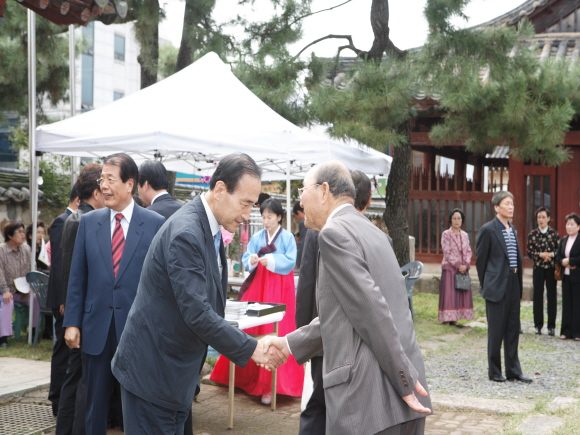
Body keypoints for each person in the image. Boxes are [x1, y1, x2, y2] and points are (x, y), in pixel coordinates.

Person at [111, 153, 287, 435]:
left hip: (174, 374)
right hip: (154, 374)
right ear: (219, 189)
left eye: (252, 206)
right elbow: (198, 313)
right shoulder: (187, 233)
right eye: (244, 204)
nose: (246, 215)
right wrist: (252, 348)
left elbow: (207, 303)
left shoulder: (209, 227)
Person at [271, 161, 432, 435]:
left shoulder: (334, 234)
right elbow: (346, 313)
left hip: (370, 403)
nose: (299, 199)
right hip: (403, 396)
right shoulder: (376, 234)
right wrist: (287, 343)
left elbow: (372, 311)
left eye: (302, 189)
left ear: (323, 191)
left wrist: (404, 381)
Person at [63, 154, 165, 435]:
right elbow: (77, 277)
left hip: (137, 330)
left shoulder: (154, 223)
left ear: (129, 184)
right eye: (101, 179)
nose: (103, 186)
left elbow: (159, 283)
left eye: (110, 179)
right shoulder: (89, 222)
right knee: (94, 403)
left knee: (136, 403)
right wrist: (72, 322)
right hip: (96, 328)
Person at [295, 169, 383, 434]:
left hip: (323, 340)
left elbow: (306, 284)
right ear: (366, 202)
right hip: (353, 344)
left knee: (319, 406)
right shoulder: (378, 238)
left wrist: (304, 336)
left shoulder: (318, 232)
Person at [210, 197, 303, 405]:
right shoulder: (259, 236)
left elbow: (290, 261)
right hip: (259, 285)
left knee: (277, 328)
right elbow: (248, 256)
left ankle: (273, 386)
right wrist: (251, 259)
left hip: (279, 286)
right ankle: (244, 379)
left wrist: (270, 260)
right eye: (263, 216)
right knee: (254, 327)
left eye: (269, 216)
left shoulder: (287, 237)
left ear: (279, 217)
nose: (266, 220)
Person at [57, 164, 105, 435]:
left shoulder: (79, 218)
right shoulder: (81, 221)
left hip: (79, 312)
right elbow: (72, 272)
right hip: (81, 314)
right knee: (76, 378)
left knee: (75, 377)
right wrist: (71, 315)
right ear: (96, 192)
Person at [475, 191, 532, 383]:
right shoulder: (488, 230)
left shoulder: (512, 229)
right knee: (496, 331)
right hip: (496, 286)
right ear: (497, 207)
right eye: (507, 203)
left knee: (512, 329)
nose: (511, 207)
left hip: (513, 284)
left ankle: (513, 371)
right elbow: (481, 261)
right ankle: (495, 371)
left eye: (512, 204)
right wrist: (487, 285)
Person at [47, 188, 80, 417]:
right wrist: (63, 299)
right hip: (62, 299)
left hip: (66, 298)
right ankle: (57, 399)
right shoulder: (63, 221)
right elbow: (60, 264)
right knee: (61, 350)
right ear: (79, 199)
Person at [0, 221, 37, 348]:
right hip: (7, 290)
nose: (23, 234)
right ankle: (3, 338)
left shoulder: (27, 249)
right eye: (19, 232)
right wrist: (5, 290)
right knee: (7, 302)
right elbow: (0, 272)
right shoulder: (1, 250)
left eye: (23, 231)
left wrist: (32, 286)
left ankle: (33, 332)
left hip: (24, 290)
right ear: (10, 235)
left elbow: (33, 270)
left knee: (36, 299)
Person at [438, 209, 474, 325]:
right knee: (450, 295)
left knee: (459, 294)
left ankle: (456, 318)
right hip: (450, 268)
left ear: (462, 220)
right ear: (450, 220)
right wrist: (458, 265)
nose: (457, 221)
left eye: (459, 218)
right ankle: (447, 319)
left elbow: (468, 251)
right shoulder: (446, 234)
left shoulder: (464, 235)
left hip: (463, 269)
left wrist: (466, 265)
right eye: (454, 218)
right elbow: (447, 252)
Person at [527, 207, 559, 336]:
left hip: (551, 268)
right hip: (538, 268)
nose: (541, 220)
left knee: (552, 296)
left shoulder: (554, 234)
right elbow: (529, 252)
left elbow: (559, 251)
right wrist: (540, 255)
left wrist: (550, 254)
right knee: (538, 296)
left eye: (543, 217)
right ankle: (538, 325)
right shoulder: (532, 234)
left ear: (549, 218)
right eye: (539, 217)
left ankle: (551, 326)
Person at [555, 213, 580, 340]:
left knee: (577, 304)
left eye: (572, 224)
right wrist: (563, 261)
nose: (569, 227)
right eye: (567, 224)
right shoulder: (563, 240)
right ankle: (566, 331)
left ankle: (577, 332)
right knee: (566, 304)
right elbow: (558, 256)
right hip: (566, 276)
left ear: (578, 226)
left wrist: (571, 261)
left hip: (577, 277)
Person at [293, 201, 308, 269]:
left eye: (296, 217)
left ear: (298, 212)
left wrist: (297, 264)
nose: (297, 219)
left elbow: (302, 244)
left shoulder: (304, 222)